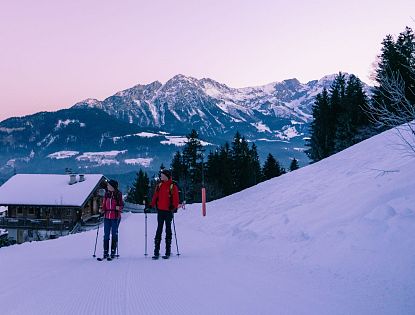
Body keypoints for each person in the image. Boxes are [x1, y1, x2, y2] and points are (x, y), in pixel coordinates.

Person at [150, 169, 179, 259]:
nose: (161, 176)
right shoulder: (159, 185)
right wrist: (151, 205)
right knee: (159, 229)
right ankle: (156, 251)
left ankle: (167, 250)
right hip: (160, 211)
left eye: (162, 175)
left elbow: (176, 199)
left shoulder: (172, 186)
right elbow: (155, 196)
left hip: (168, 211)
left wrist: (173, 206)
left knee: (168, 229)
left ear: (167, 176)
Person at [101, 179, 123, 259]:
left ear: (113, 186)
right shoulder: (106, 194)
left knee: (114, 233)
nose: (107, 186)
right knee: (106, 234)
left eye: (109, 185)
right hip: (107, 216)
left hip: (115, 217)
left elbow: (121, 205)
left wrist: (119, 208)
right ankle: (105, 252)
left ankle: (113, 252)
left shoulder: (118, 194)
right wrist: (102, 210)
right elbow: (104, 204)